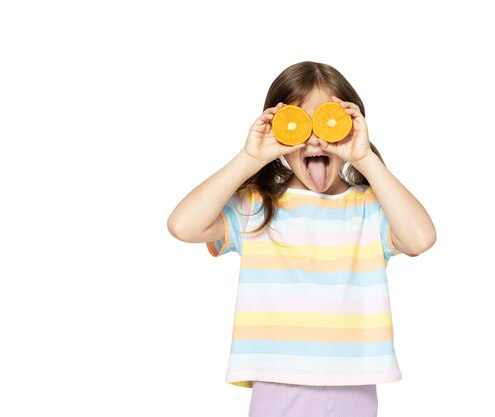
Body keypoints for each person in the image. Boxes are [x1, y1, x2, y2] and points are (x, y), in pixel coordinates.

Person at [167, 61, 436, 417]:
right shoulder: (257, 206)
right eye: (299, 124)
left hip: (353, 384)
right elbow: (183, 225)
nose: (314, 138)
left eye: (328, 121)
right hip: (275, 383)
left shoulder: (369, 206)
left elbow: (420, 238)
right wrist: (249, 158)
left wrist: (366, 158)